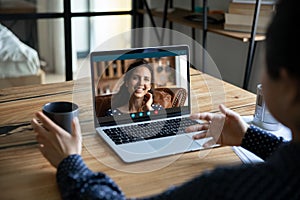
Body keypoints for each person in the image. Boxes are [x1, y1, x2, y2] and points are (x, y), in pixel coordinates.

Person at [31, 0, 300, 199]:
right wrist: (249, 136)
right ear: (126, 82)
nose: (141, 84)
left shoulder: (227, 188)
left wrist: (70, 162)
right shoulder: (113, 107)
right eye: (135, 78)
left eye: (146, 80)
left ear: (288, 85)